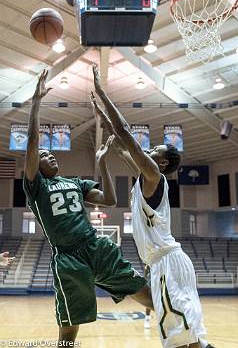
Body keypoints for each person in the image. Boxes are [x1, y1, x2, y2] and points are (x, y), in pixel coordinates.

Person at [23, 70, 153, 347]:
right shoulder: (36, 188)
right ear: (37, 164)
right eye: (45, 156)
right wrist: (36, 102)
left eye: (52, 153)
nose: (50, 156)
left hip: (94, 245)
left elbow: (109, 200)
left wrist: (102, 162)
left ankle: (182, 326)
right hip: (68, 257)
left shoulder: (75, 182)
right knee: (70, 328)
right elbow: (32, 144)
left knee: (143, 291)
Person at [91, 64, 215, 348]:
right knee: (187, 338)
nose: (148, 150)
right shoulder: (143, 180)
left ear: (161, 163)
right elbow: (120, 144)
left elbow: (124, 133)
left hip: (168, 263)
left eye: (154, 150)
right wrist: (101, 115)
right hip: (164, 264)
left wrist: (102, 92)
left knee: (181, 340)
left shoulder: (154, 176)